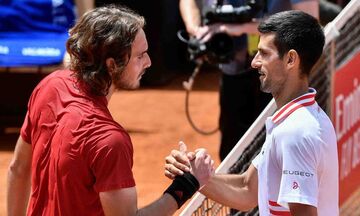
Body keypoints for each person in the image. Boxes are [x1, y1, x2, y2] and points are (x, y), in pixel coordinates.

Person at [7, 5, 214, 216]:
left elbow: (18, 169)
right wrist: (185, 186)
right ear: (112, 64)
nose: (149, 62)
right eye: (140, 56)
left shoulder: (49, 86)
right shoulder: (109, 140)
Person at [165, 10, 339, 215]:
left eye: (264, 53)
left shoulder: (296, 132)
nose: (254, 62)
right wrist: (193, 176)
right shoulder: (298, 120)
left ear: (291, 59)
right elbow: (247, 190)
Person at [179, 0, 319, 161]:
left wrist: (241, 28)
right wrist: (196, 30)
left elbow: (308, 22)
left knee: (278, 150)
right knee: (232, 151)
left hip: (280, 78)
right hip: (232, 71)